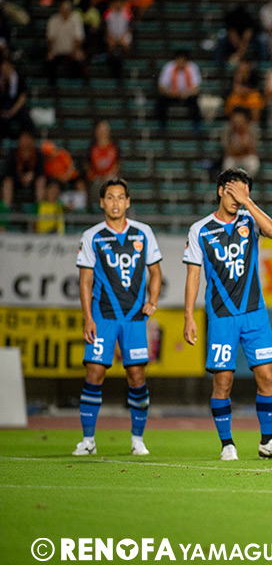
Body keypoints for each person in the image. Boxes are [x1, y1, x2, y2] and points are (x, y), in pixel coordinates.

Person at [183, 168, 272, 461]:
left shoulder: (249, 219)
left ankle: (267, 441)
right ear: (221, 191)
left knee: (267, 376)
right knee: (223, 381)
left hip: (255, 313)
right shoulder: (200, 229)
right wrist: (188, 316)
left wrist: (248, 202)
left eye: (244, 192)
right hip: (222, 316)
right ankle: (227, 444)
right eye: (233, 192)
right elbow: (193, 276)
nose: (238, 198)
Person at [73, 177, 162, 457]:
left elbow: (156, 272)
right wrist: (88, 318)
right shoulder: (92, 236)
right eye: (110, 197)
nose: (115, 202)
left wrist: (153, 301)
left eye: (120, 197)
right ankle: (88, 440)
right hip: (103, 316)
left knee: (137, 375)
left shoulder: (143, 233)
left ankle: (138, 439)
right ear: (102, 202)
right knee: (95, 372)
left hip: (134, 318)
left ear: (128, 202)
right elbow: (85, 281)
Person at [155, 51, 203, 132]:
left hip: (187, 95)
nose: (180, 62)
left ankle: (197, 125)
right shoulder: (169, 67)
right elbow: (161, 88)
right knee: (161, 101)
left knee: (195, 101)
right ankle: (162, 124)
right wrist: (172, 93)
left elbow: (196, 89)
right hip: (172, 94)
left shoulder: (192, 67)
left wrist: (187, 93)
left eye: (183, 60)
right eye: (179, 60)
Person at [46, 0, 88, 86]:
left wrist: (74, 51)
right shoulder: (53, 20)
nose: (65, 11)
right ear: (59, 9)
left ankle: (77, 85)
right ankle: (52, 86)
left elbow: (78, 38)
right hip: (57, 51)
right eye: (63, 9)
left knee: (80, 61)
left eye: (67, 9)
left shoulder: (76, 19)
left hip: (72, 51)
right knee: (49, 61)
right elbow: (50, 38)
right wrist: (51, 51)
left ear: (70, 10)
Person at [2, 131, 45, 212]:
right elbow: (8, 173)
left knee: (41, 181)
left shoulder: (38, 154)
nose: (25, 142)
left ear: (32, 140)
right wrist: (20, 177)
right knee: (7, 182)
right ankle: (6, 208)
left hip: (33, 181)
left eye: (27, 139)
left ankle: (39, 208)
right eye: (23, 139)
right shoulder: (13, 154)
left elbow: (41, 172)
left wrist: (32, 176)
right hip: (16, 181)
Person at [87, 120, 120, 206]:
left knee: (112, 182)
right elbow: (88, 166)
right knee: (97, 184)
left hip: (110, 177)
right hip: (96, 178)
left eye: (105, 129)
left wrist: (109, 175)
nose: (103, 132)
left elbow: (118, 164)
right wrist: (96, 176)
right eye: (100, 129)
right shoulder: (92, 147)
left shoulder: (114, 146)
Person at [0, 60, 35, 140]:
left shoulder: (19, 78)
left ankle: (25, 139)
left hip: (17, 107)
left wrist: (11, 112)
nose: (4, 69)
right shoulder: (2, 80)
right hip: (4, 106)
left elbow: (23, 97)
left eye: (6, 67)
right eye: (3, 67)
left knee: (27, 121)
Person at [221, 109, 260, 178]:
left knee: (253, 163)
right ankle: (232, 182)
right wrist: (240, 149)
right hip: (233, 157)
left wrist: (242, 149)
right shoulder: (228, 131)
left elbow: (252, 149)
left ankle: (247, 181)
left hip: (246, 156)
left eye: (240, 119)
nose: (237, 121)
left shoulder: (251, 130)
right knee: (228, 164)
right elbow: (228, 150)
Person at [104, 0, 133, 81]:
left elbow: (129, 27)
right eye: (116, 3)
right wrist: (112, 37)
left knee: (125, 45)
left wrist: (121, 37)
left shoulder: (127, 12)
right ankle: (109, 60)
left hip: (124, 34)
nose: (118, 4)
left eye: (119, 2)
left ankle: (127, 61)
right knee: (110, 45)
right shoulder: (108, 12)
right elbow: (106, 27)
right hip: (112, 35)